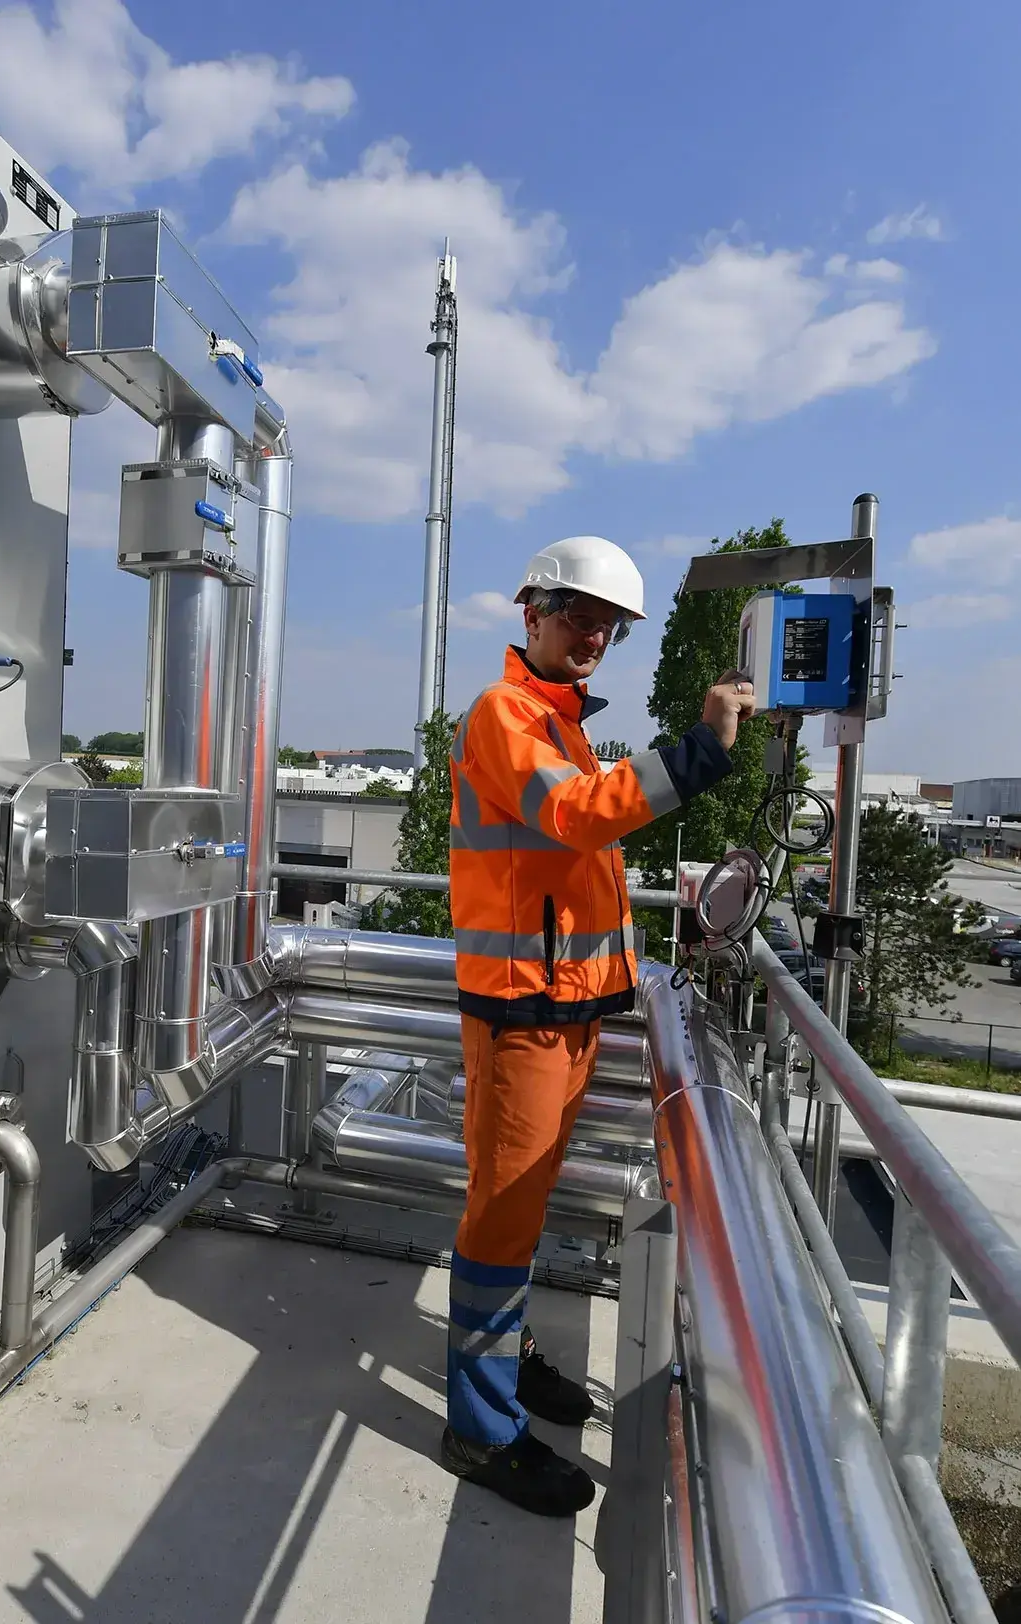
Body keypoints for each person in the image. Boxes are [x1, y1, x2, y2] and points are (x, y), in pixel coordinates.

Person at [440, 534, 756, 1517]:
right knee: (503, 1209)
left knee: (520, 1205)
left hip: (568, 1010)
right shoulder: (506, 715)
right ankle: (481, 1428)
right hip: (522, 1013)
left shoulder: (562, 721)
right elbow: (578, 818)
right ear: (530, 609)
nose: (594, 636)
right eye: (577, 614)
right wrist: (701, 748)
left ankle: (510, 1352)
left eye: (609, 625)